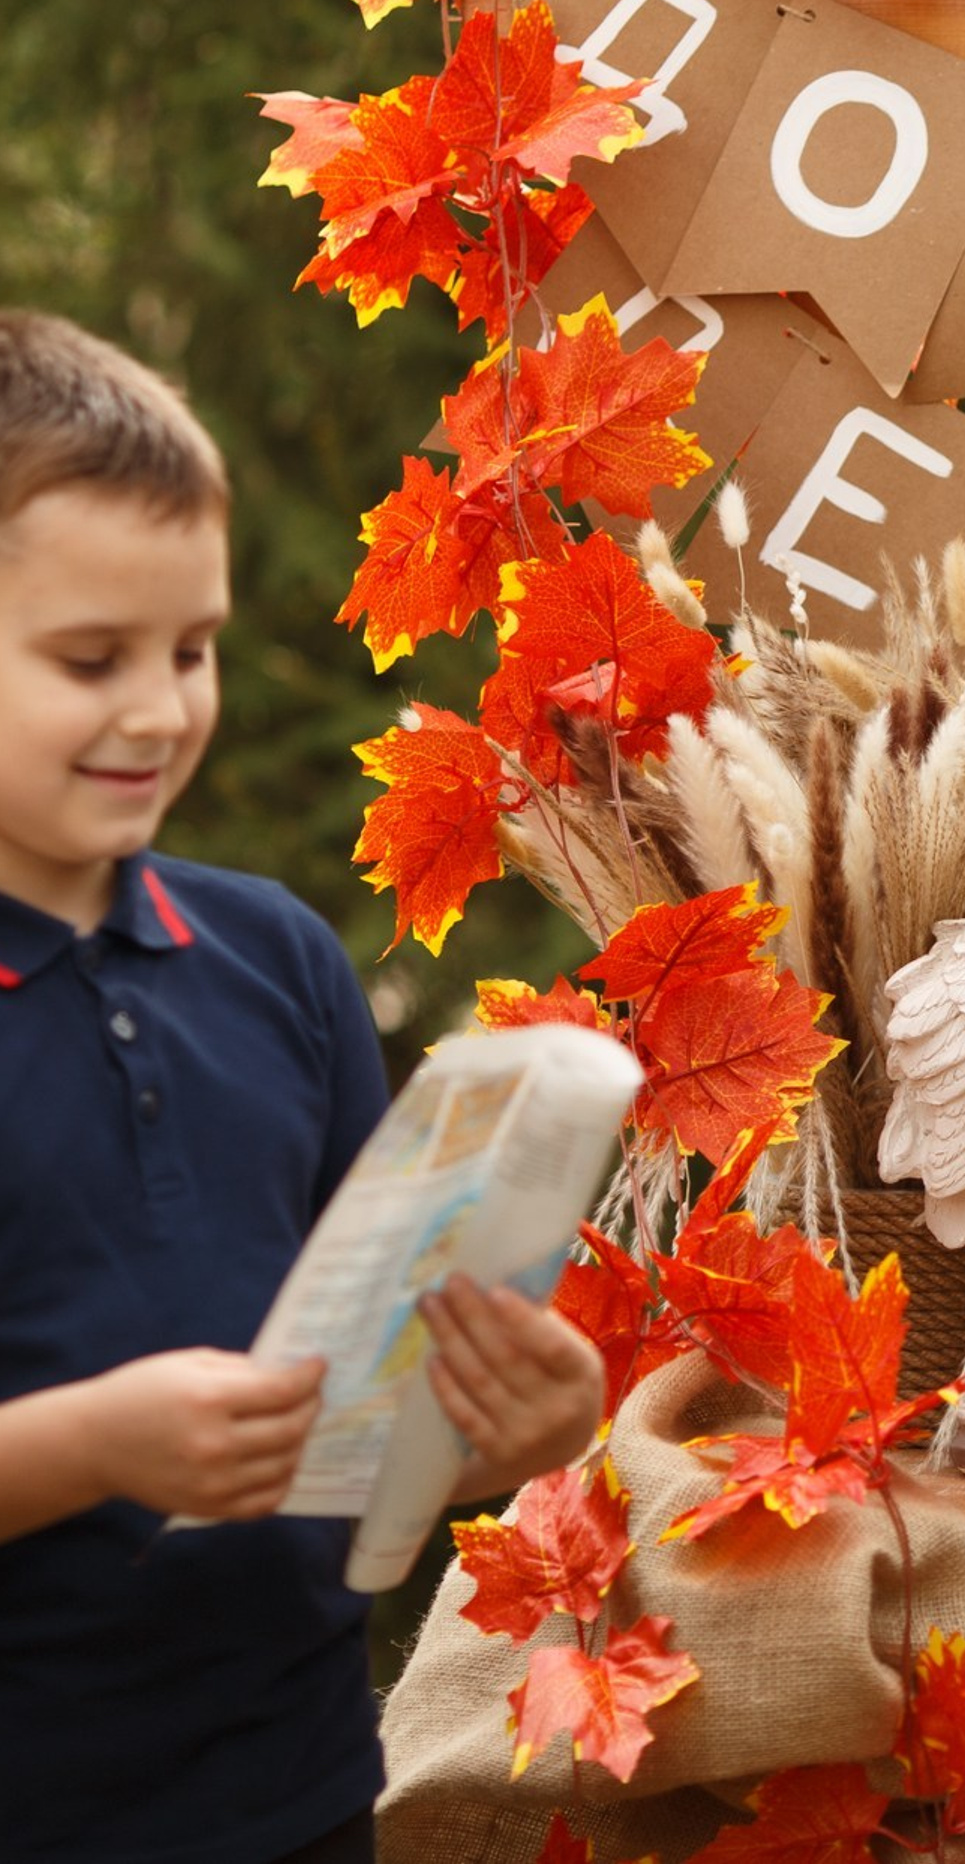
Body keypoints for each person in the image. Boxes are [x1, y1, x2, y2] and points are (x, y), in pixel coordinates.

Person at [0, 311, 606, 1864]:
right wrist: (92, 1445)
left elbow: (356, 1411)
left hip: (298, 1790)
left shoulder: (270, 958)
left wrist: (506, 1430)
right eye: (90, 661)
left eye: (190, 650)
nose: (158, 710)